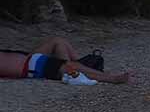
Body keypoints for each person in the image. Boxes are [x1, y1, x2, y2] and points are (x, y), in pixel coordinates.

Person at [0, 37, 130, 84]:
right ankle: (112, 78)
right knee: (68, 66)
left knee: (57, 41)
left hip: (28, 58)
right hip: (31, 67)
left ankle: (79, 68)